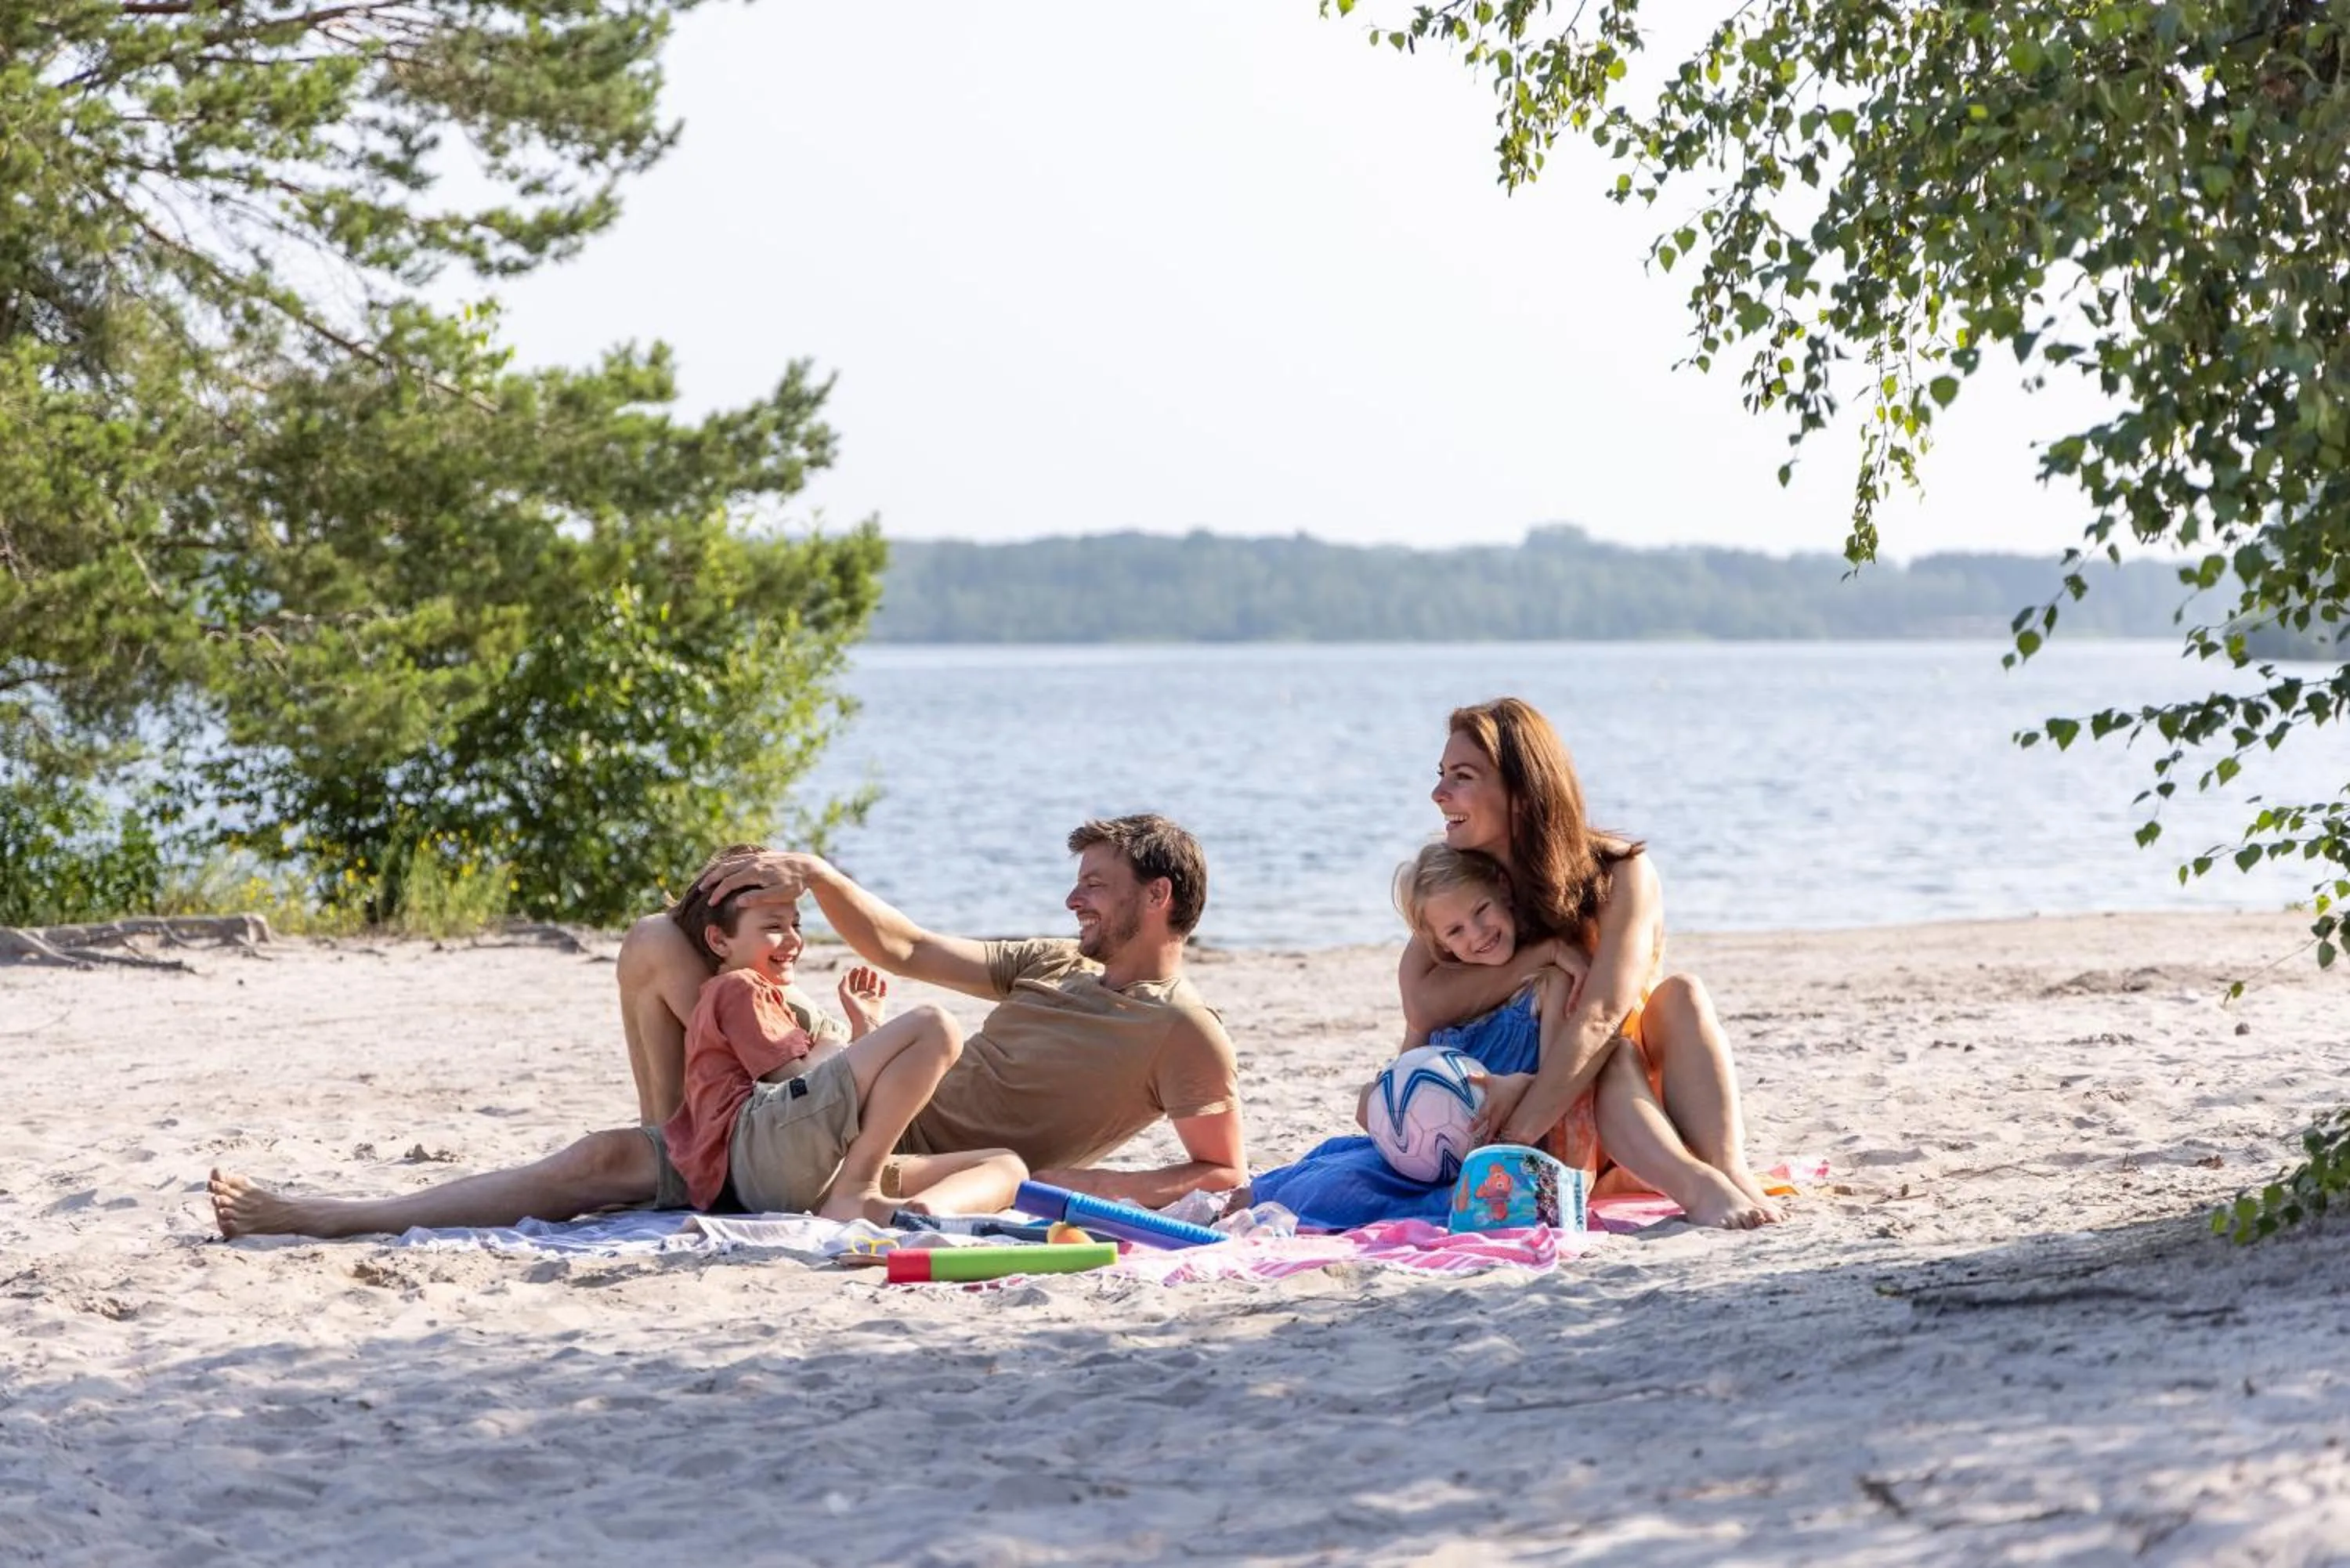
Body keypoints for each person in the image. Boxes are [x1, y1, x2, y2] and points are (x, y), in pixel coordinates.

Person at [208, 883, 1025, 1238]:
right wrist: (863, 1029)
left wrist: (853, 1031)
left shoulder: (778, 995)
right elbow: (790, 1076)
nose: (790, 939)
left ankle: (913, 1216)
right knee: (588, 1161)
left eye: (792, 924)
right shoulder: (727, 987)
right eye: (771, 923)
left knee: (1008, 1162)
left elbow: (812, 1078)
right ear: (723, 939)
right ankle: (332, 1214)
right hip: (748, 1147)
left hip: (806, 1161)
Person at [679, 815, 1246, 1206]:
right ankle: (675, 1132)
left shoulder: (1184, 1029)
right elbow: (907, 949)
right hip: (871, 1083)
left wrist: (1094, 1184)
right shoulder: (1055, 959)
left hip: (901, 1148)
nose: (1073, 901)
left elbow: (1223, 1173)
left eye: (1094, 886)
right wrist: (817, 875)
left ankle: (680, 1153)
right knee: (663, 943)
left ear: (1157, 896)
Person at [1410, 697, 1785, 1230]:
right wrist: (1538, 957)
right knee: (1604, 1051)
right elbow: (1422, 1003)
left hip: (1633, 1121)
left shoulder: (1618, 873)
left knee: (1678, 996)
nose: (1438, 793)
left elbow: (1602, 1015)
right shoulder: (1470, 887)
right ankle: (1698, 1184)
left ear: (1521, 793)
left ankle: (1725, 1170)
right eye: (1441, 774)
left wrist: (1515, 1138)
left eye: (1462, 776)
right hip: (1537, 1112)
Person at [1247, 845, 1571, 1229]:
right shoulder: (1442, 1002)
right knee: (1330, 1175)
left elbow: (1561, 1082)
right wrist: (1378, 1104)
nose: (1478, 933)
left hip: (1492, 1156)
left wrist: (1516, 1086)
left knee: (1395, 1199)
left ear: (1503, 890)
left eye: (1481, 910)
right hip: (1418, 1156)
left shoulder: (1547, 986)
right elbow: (1404, 1072)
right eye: (1455, 930)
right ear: (1440, 943)